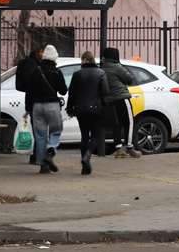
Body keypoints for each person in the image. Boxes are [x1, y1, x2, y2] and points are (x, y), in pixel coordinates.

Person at [25, 45, 67, 174]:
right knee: (56, 130)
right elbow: (63, 90)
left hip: (37, 107)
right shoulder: (57, 72)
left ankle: (43, 166)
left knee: (40, 136)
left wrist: (28, 108)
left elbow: (29, 92)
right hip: (52, 105)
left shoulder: (35, 72)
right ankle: (50, 151)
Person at [66, 51, 109, 175]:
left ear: (85, 59)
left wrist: (70, 109)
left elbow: (72, 93)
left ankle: (84, 168)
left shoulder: (77, 74)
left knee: (84, 136)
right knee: (95, 135)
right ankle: (87, 156)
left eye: (82, 59)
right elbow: (105, 91)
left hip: (80, 109)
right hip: (95, 109)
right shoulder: (100, 73)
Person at [101, 48, 141, 158]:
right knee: (129, 122)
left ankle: (118, 149)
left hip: (110, 100)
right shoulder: (117, 67)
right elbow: (129, 80)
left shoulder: (103, 68)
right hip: (122, 98)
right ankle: (130, 147)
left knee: (116, 124)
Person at [15, 47, 44, 163]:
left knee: (38, 130)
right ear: (39, 52)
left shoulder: (34, 63)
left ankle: (35, 156)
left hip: (33, 102)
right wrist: (28, 108)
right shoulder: (33, 64)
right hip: (35, 102)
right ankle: (36, 156)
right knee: (39, 131)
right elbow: (30, 87)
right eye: (42, 52)